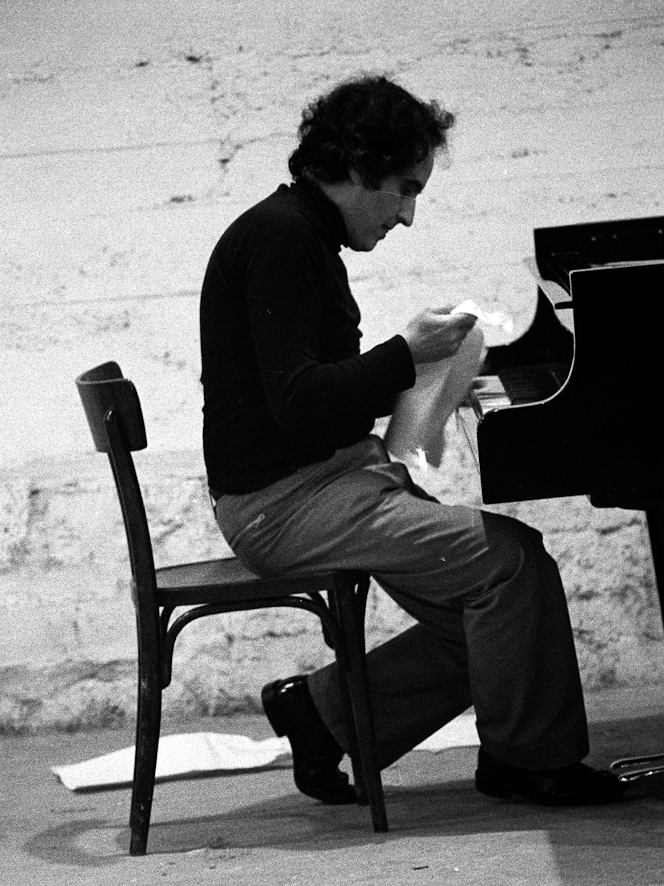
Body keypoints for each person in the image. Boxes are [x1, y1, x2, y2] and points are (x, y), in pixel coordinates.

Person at [199, 74, 625, 808]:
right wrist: (406, 354)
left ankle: (322, 713)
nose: (407, 214)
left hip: (323, 482)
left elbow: (312, 392)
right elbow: (296, 399)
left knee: (495, 622)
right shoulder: (281, 238)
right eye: (404, 189)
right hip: (283, 505)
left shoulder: (298, 233)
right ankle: (528, 762)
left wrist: (434, 373)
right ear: (357, 168)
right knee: (512, 566)